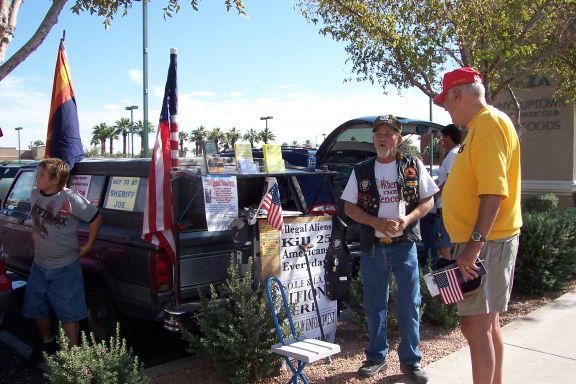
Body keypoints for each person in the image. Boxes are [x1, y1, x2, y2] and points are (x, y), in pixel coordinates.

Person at [434, 67, 521, 384]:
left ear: (458, 94)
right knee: (486, 324)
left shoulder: (487, 124)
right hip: (486, 243)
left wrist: (473, 247)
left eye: (447, 101)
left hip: (485, 245)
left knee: (474, 326)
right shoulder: (483, 125)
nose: (446, 108)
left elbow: (494, 192)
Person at [341, 115, 438, 383]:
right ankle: (376, 357)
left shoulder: (413, 166)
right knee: (374, 305)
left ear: (398, 139)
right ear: (373, 139)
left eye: (388, 134)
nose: (382, 138)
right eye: (378, 134)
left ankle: (411, 361)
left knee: (409, 304)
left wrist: (407, 220)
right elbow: (349, 206)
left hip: (403, 246)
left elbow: (429, 200)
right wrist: (376, 222)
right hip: (373, 247)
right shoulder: (361, 170)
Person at [23, 158, 102, 357]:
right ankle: (47, 343)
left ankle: (73, 355)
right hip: (40, 265)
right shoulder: (34, 194)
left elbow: (96, 217)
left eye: (41, 174)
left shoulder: (71, 199)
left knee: (69, 312)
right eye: (38, 173)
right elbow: (36, 221)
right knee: (35, 307)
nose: (37, 178)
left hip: (65, 266)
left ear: (55, 179)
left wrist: (89, 245)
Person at [433, 124, 462, 267]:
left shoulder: (454, 154)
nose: (441, 141)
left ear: (449, 137)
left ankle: (447, 278)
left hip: (446, 206)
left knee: (445, 244)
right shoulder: (454, 153)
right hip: (448, 205)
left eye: (443, 137)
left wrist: (434, 195)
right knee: (447, 242)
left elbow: (450, 180)